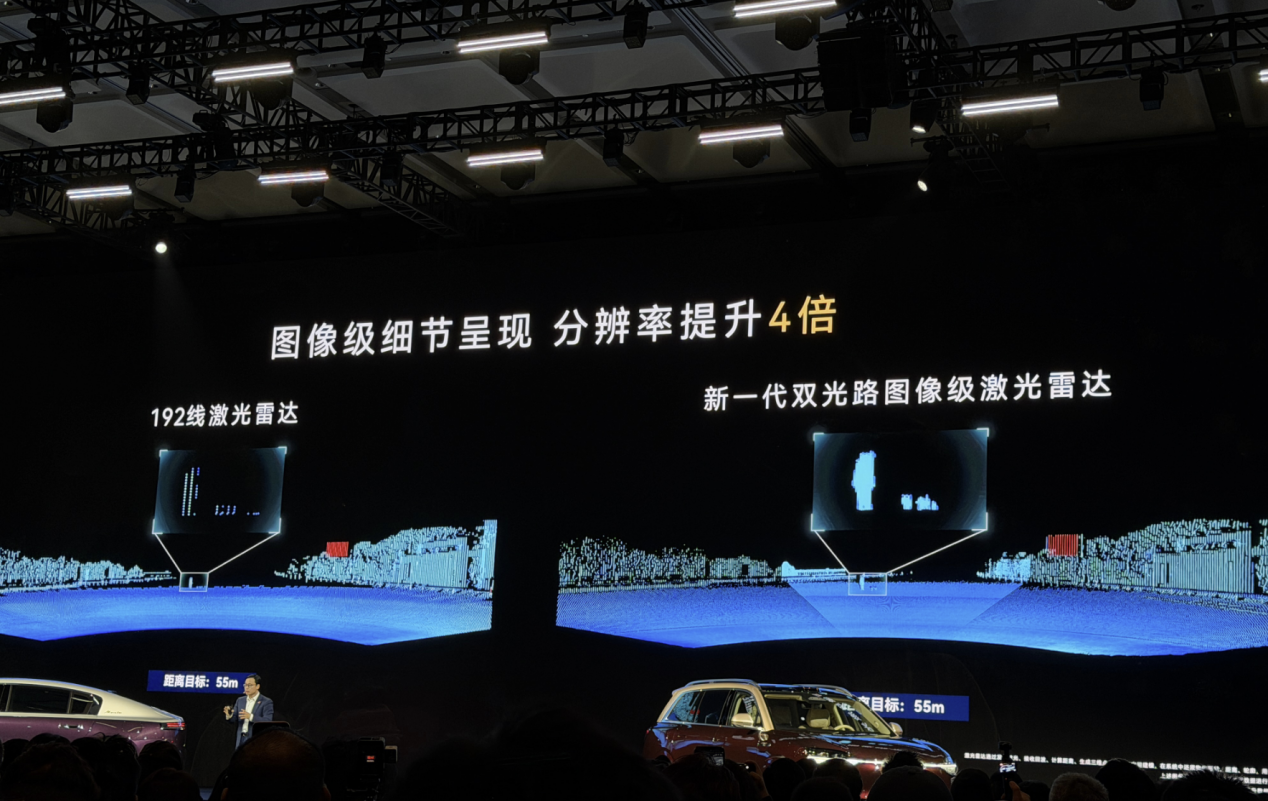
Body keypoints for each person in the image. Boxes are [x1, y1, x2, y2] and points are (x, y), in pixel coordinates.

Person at [223, 675, 274, 751]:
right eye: (245, 685)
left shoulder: (266, 702)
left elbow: (268, 721)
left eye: (250, 685)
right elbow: (234, 719)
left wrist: (250, 717)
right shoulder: (240, 700)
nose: (246, 687)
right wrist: (229, 715)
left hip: (255, 739)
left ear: (257, 686)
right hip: (241, 739)